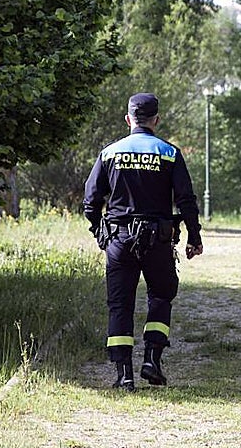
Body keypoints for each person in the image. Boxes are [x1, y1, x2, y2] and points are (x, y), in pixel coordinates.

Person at [83, 92, 204, 391]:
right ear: (156, 120)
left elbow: (90, 201)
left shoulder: (109, 153)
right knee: (161, 297)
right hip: (158, 240)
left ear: (128, 119)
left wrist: (101, 232)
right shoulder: (169, 153)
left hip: (118, 240)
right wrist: (194, 236)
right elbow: (186, 199)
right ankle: (152, 359)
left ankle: (124, 375)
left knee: (119, 304)